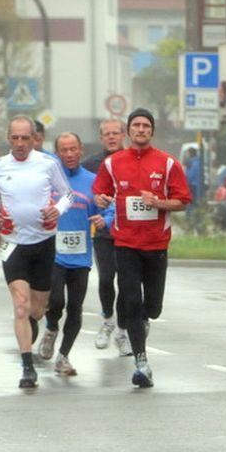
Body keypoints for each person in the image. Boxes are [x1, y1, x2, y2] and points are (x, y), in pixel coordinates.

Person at [92, 108, 191, 388]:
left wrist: (159, 203)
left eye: (146, 125)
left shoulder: (168, 163)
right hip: (125, 243)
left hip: (156, 244)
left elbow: (183, 200)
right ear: (128, 131)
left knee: (153, 307)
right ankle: (141, 363)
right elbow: (101, 192)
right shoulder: (113, 163)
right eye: (135, 125)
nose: (140, 130)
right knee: (132, 300)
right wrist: (100, 199)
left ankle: (143, 321)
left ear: (152, 131)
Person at [0, 116, 73, 389]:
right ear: (8, 138)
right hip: (13, 244)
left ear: (34, 139)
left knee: (36, 309)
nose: (20, 143)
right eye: (15, 138)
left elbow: (66, 194)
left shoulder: (47, 164)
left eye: (26, 138)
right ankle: (27, 367)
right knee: (20, 306)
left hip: (44, 242)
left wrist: (56, 210)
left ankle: (33, 326)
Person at [37, 133, 109, 376]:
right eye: (64, 150)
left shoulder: (92, 180)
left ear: (80, 150)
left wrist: (104, 219)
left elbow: (107, 209)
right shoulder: (48, 180)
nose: (69, 154)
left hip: (81, 256)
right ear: (57, 154)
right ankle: (51, 328)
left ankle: (63, 356)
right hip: (54, 253)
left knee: (75, 307)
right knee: (56, 301)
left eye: (73, 149)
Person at [82, 118, 129, 355]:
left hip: (129, 232)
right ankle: (108, 320)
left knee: (126, 281)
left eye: (116, 133)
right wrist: (95, 199)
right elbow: (81, 193)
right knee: (106, 278)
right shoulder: (90, 165)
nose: (111, 137)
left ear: (124, 135)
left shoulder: (132, 159)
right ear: (101, 138)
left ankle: (122, 331)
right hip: (102, 232)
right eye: (107, 134)